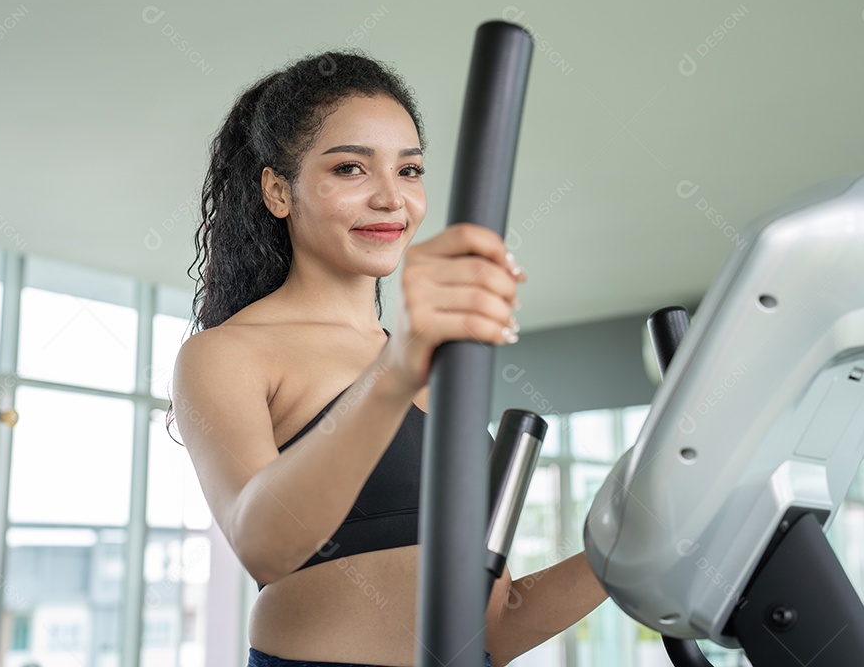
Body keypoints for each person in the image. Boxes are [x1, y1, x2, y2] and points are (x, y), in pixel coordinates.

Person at [171, 50, 608, 667]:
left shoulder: (430, 363)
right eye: (351, 168)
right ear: (278, 191)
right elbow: (265, 543)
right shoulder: (226, 355)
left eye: (410, 170)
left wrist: (621, 544)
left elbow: (499, 624)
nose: (390, 199)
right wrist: (398, 365)